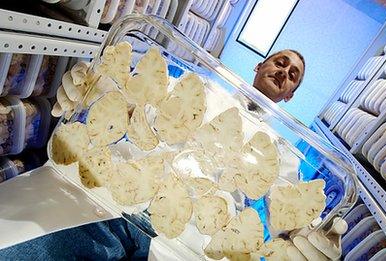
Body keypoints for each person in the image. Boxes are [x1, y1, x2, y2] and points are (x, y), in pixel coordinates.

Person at [0, 49, 346, 260]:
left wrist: (307, 240)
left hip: (187, 247)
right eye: (280, 63)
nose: (283, 72)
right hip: (109, 202)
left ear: (289, 95)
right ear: (259, 66)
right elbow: (137, 112)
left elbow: (288, 220)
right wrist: (101, 91)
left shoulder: (283, 154)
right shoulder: (202, 88)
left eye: (292, 75)